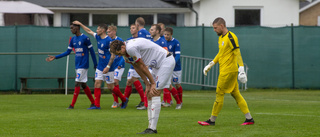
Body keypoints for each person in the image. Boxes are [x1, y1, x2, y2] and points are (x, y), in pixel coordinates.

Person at [110, 38, 175, 134]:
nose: (119, 55)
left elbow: (142, 66)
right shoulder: (125, 53)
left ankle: (152, 128)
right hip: (157, 65)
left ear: (123, 47)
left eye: (119, 53)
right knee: (149, 94)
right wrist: (147, 83)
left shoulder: (131, 48)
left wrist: (152, 83)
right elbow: (136, 67)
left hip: (166, 61)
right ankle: (150, 127)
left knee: (155, 92)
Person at [198, 17, 254, 126]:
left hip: (227, 72)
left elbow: (237, 52)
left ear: (222, 26)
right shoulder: (221, 38)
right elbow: (221, 53)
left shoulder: (231, 37)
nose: (214, 30)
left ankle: (211, 120)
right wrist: (211, 64)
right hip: (226, 70)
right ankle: (249, 119)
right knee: (236, 94)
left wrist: (241, 68)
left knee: (219, 94)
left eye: (215, 28)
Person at [72, 21, 128, 109]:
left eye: (98, 29)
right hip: (100, 66)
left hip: (109, 68)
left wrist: (108, 66)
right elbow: (89, 31)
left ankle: (124, 99)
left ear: (102, 30)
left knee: (111, 87)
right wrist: (81, 24)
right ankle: (97, 105)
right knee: (97, 83)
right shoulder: (98, 37)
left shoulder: (109, 41)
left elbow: (113, 55)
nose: (96, 30)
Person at [46, 24, 97, 109]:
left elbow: (92, 52)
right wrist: (55, 57)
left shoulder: (85, 38)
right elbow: (67, 52)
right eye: (70, 28)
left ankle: (72, 105)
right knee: (83, 84)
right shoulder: (73, 39)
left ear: (77, 28)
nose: (71, 30)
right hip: (77, 65)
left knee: (77, 83)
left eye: (72, 28)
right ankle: (93, 102)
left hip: (83, 65)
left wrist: (95, 64)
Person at [123, 24, 146, 108]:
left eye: (133, 28)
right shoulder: (128, 40)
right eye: (130, 28)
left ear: (137, 30)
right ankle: (125, 100)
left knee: (133, 79)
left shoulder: (141, 40)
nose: (131, 30)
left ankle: (144, 100)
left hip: (140, 63)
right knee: (129, 81)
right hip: (133, 63)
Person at [163, 27, 183, 109]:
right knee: (166, 84)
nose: (166, 36)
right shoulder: (163, 42)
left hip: (176, 68)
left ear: (171, 34)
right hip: (166, 67)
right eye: (165, 34)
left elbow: (178, 55)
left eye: (168, 34)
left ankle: (180, 102)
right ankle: (169, 101)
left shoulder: (176, 42)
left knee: (177, 84)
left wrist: (173, 63)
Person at [107, 25, 126, 108]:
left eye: (109, 32)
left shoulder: (119, 40)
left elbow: (123, 54)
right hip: (112, 66)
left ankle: (117, 101)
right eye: (107, 32)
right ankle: (118, 101)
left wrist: (120, 64)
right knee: (112, 83)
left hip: (119, 65)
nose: (108, 33)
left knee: (115, 82)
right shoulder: (108, 41)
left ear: (114, 32)